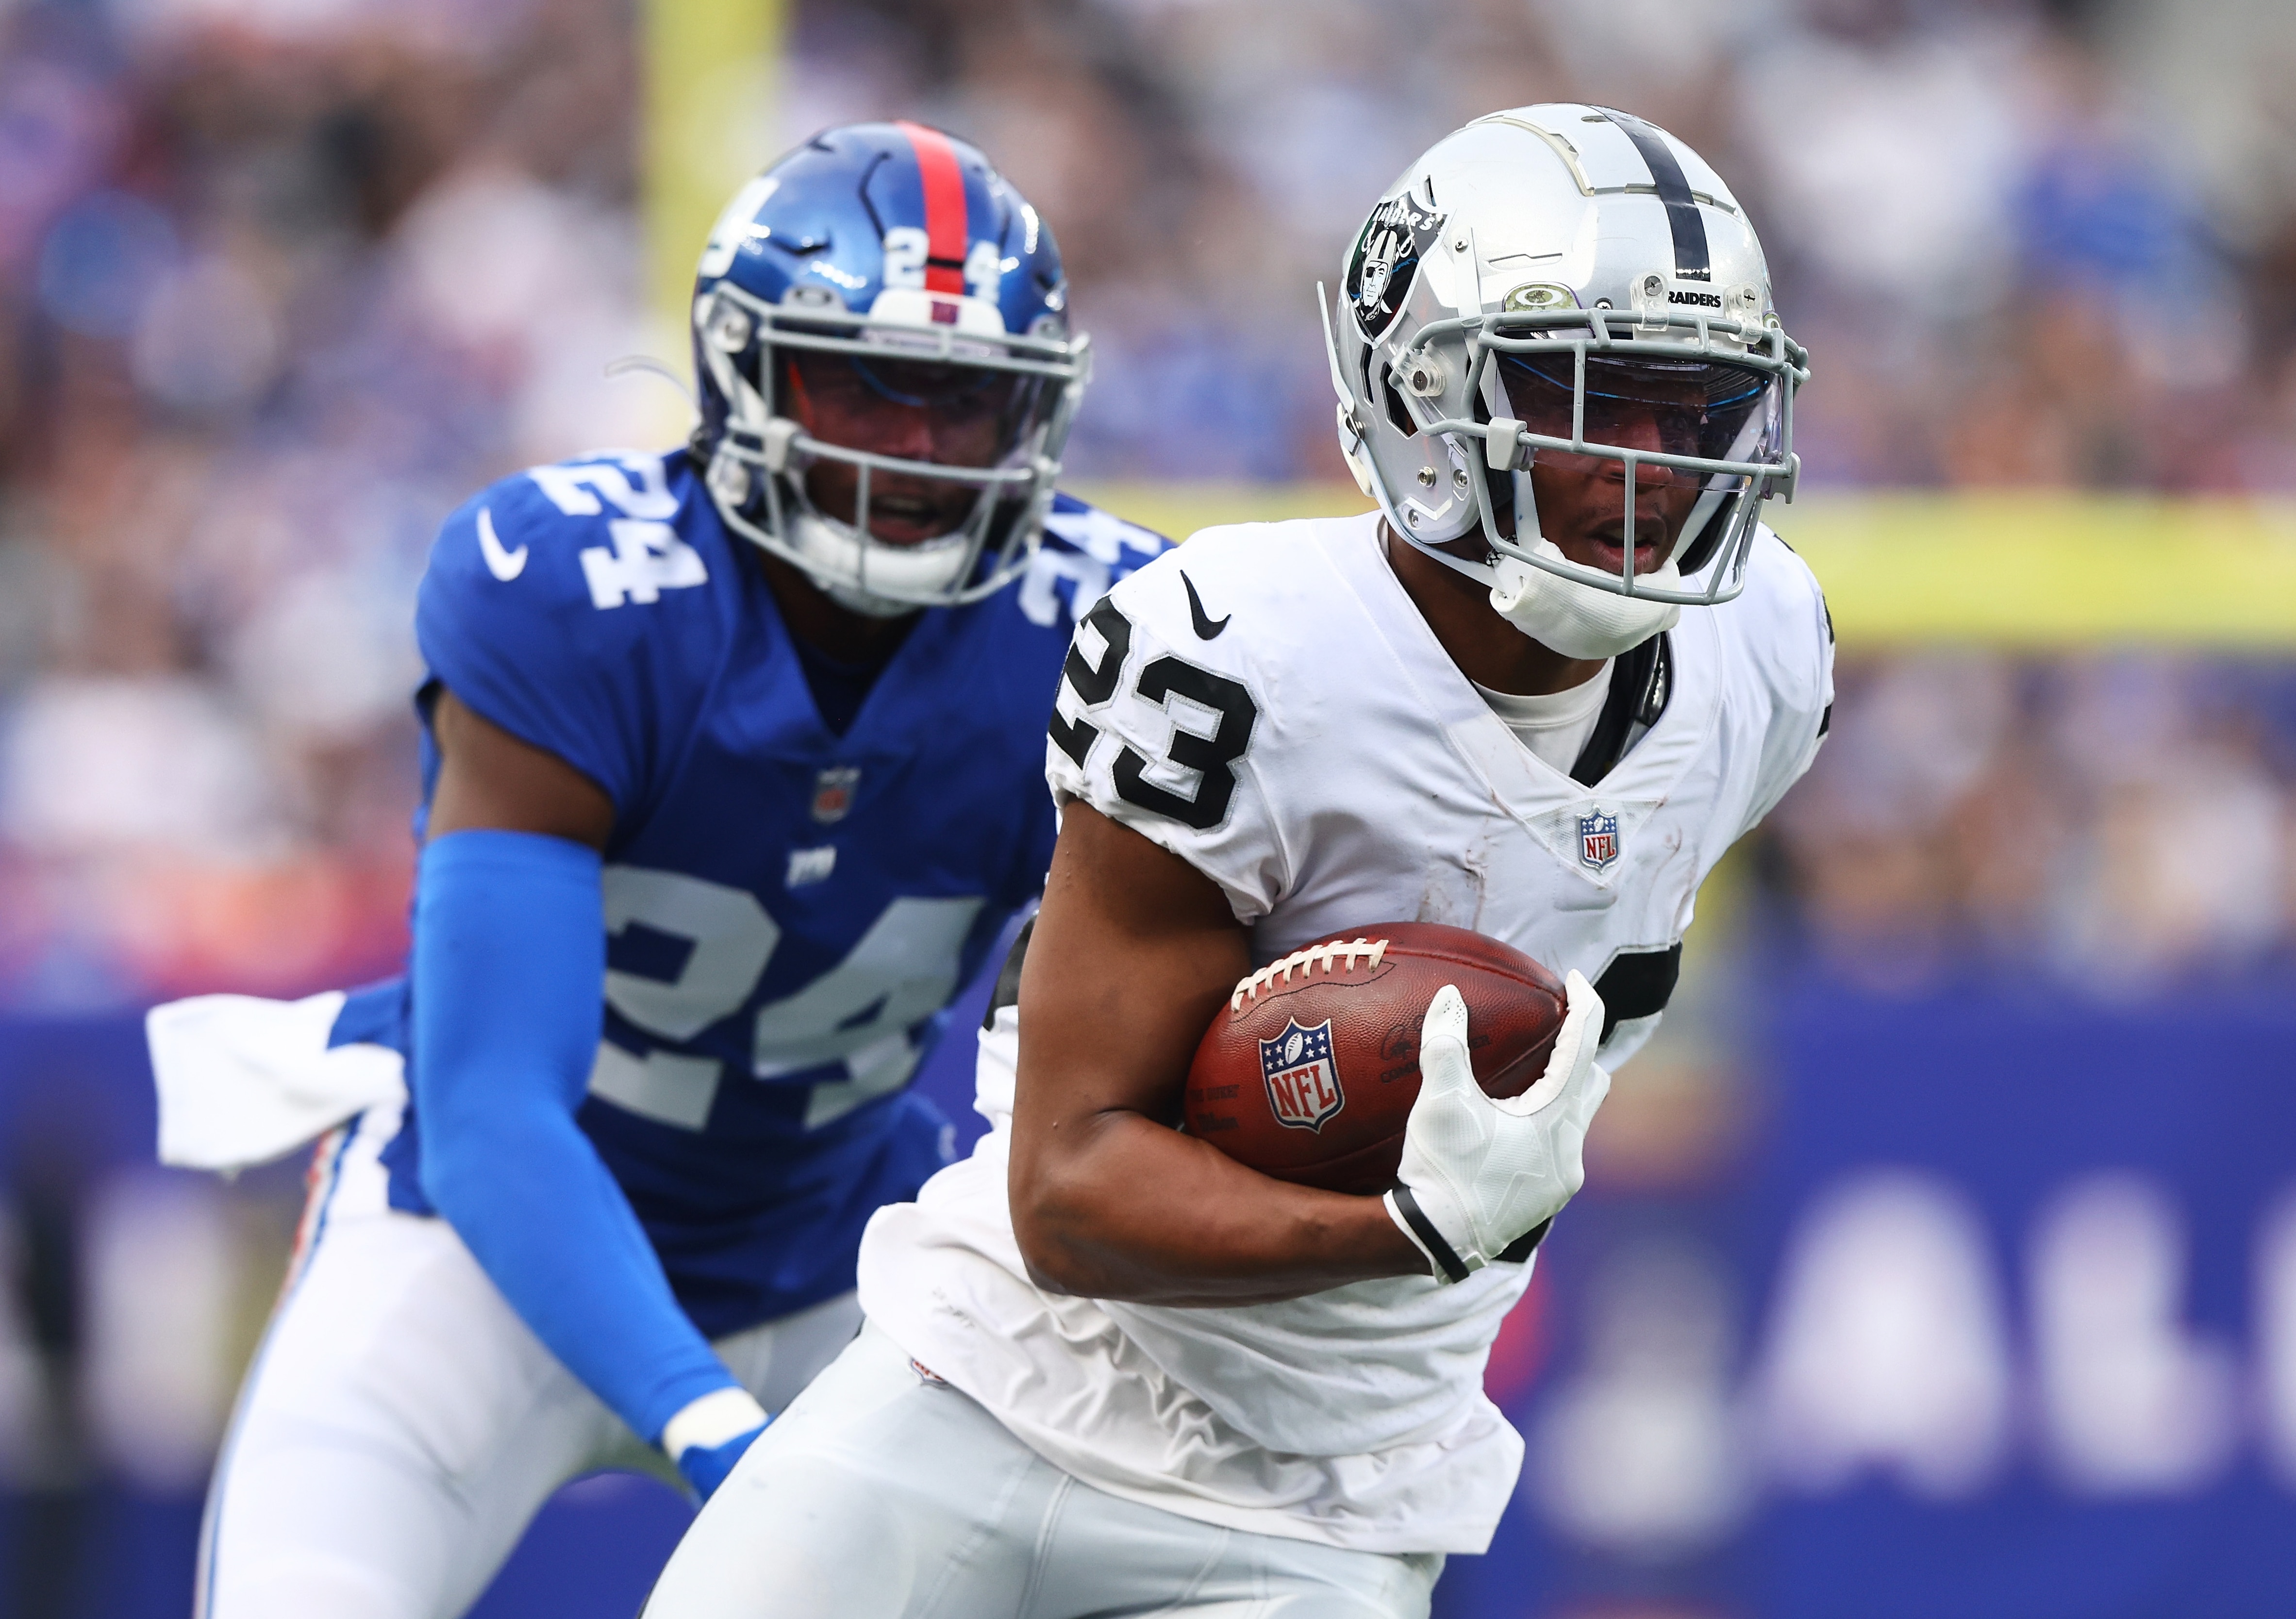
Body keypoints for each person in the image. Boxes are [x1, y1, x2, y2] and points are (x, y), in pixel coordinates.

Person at [641, 103, 1833, 1618]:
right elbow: (1067, 1193)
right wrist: (1406, 1226)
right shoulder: (1241, 654)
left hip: (1328, 1505)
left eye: (1694, 407)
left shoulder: (1767, 659)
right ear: (1423, 395)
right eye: (1580, 396)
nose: (1646, 461)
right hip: (998, 1388)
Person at [154, 122, 1165, 1619]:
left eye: (966, 405)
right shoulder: (580, 595)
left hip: (849, 1258)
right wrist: (703, 1419)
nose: (915, 453)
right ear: (741, 370)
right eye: (859, 386)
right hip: (472, 1251)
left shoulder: (1108, 629)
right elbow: (498, 1106)